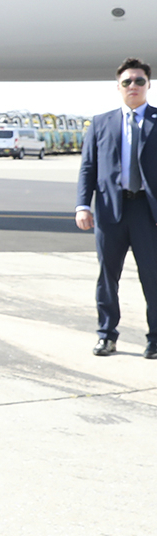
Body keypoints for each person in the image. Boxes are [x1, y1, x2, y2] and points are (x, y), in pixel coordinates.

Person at [76, 58, 157, 358]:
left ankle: (156, 338)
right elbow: (88, 168)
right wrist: (82, 205)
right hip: (110, 211)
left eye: (139, 81)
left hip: (148, 213)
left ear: (148, 85)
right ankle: (106, 335)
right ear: (118, 86)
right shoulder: (101, 122)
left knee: (153, 277)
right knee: (107, 277)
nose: (133, 86)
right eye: (127, 81)